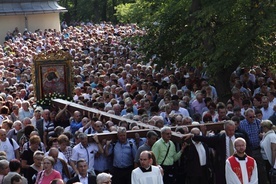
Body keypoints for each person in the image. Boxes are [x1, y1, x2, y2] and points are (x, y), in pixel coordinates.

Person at [187, 120, 248, 184]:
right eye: (229, 130)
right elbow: (207, 139)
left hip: (239, 165)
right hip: (224, 166)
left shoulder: (240, 137)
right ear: (225, 129)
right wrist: (193, 136)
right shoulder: (220, 138)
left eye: (233, 130)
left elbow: (247, 149)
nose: (231, 132)